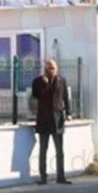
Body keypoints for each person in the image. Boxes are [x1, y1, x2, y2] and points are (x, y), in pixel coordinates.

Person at [29, 57, 73, 185]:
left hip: (58, 118)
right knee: (43, 149)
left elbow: (65, 97)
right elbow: (36, 95)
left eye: (53, 68)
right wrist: (46, 83)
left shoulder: (61, 81)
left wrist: (68, 113)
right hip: (44, 119)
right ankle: (43, 177)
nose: (51, 71)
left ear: (57, 69)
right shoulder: (38, 81)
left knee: (60, 150)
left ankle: (61, 176)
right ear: (45, 69)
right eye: (49, 68)